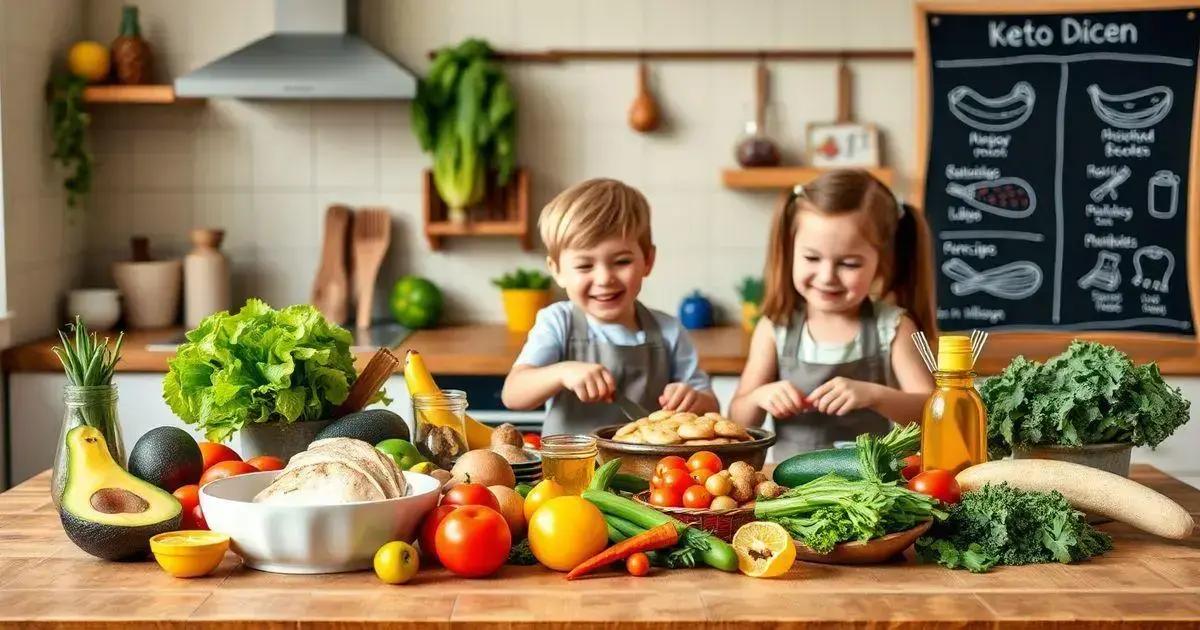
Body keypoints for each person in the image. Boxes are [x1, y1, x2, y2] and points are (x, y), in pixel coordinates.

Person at [728, 169, 934, 457]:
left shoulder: (894, 327)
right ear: (790, 252)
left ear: (883, 261)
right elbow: (737, 422)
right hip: (789, 493)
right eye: (811, 258)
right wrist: (760, 397)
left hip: (869, 492)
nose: (827, 277)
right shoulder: (776, 328)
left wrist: (875, 395)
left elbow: (933, 415)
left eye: (849, 263)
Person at [502, 178, 719, 435]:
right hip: (568, 472)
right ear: (557, 270)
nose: (605, 279)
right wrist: (562, 372)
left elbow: (712, 407)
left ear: (648, 260)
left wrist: (692, 399)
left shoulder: (669, 330)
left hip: (649, 472)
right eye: (584, 266)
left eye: (621, 261)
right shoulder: (558, 322)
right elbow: (513, 394)